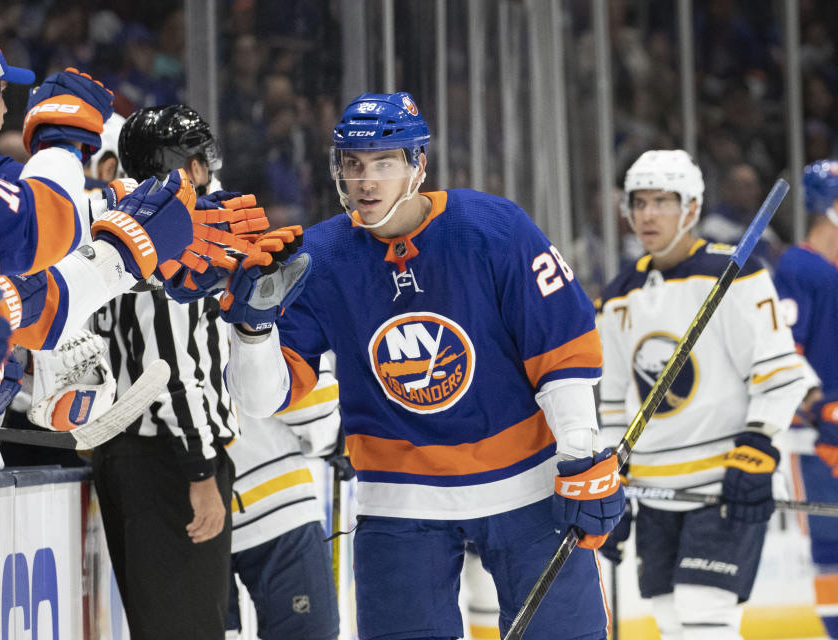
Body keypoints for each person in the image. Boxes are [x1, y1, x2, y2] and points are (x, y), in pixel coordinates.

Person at [222, 91, 626, 640]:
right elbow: (262, 399)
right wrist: (252, 330)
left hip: (526, 480)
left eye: (384, 163)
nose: (366, 181)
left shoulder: (493, 227)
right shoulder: (316, 258)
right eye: (353, 164)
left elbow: (560, 347)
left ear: (418, 167)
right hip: (399, 496)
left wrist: (581, 450)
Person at [597, 150, 809, 639]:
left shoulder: (735, 274)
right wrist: (615, 474)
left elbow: (780, 373)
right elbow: (611, 399)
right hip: (652, 486)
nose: (648, 214)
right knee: (670, 617)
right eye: (639, 202)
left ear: (691, 208)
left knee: (704, 613)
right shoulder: (616, 294)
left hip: (723, 476)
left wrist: (758, 443)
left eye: (663, 202)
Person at [91, 104, 241, 640]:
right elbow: (174, 364)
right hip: (172, 463)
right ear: (186, 166)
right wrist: (200, 471)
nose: (208, 171)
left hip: (131, 456)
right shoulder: (173, 235)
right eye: (200, 160)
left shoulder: (117, 229)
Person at [226, 352, 341, 640]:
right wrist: (338, 437)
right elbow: (296, 376)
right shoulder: (234, 304)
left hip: (179, 509)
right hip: (274, 502)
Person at [774, 158, 838, 639]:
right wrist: (821, 407)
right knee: (830, 548)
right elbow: (785, 355)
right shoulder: (798, 267)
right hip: (816, 439)